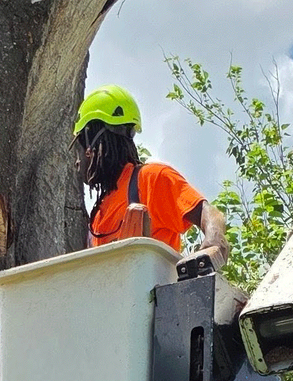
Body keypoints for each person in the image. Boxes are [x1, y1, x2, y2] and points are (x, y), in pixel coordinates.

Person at [74, 86, 229, 267]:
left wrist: (214, 243)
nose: (77, 162)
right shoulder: (97, 217)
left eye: (79, 150)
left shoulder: (151, 180)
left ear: (92, 147)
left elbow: (209, 213)